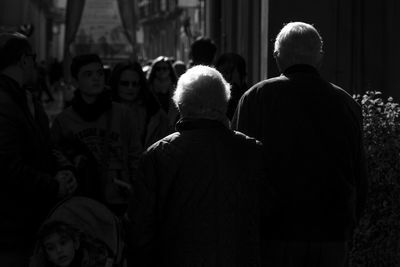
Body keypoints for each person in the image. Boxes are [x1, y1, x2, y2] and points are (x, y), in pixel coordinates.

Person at [232, 22, 368, 267]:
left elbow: (239, 166)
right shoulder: (345, 103)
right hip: (332, 233)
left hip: (275, 233)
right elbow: (360, 175)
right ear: (320, 58)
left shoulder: (256, 98)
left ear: (277, 56)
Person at [124, 65, 267, 267]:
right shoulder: (252, 151)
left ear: (181, 105)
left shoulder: (158, 155)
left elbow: (140, 229)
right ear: (224, 104)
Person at [0, 32, 77, 266]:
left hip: (29, 219)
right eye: (33, 57)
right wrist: (54, 185)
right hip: (11, 225)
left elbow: (45, 145)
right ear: (24, 59)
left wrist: (64, 168)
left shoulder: (25, 98)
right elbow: (6, 167)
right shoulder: (5, 103)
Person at [51, 54, 142, 217]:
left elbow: (135, 155)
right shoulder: (64, 121)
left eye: (100, 73)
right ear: (75, 81)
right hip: (80, 199)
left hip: (118, 198)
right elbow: (56, 158)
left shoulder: (123, 114)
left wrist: (137, 192)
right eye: (88, 74)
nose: (96, 79)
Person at [109, 61, 170, 150]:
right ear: (116, 84)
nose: (130, 88)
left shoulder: (154, 113)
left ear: (140, 86)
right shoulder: (104, 111)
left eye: (135, 84)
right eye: (125, 83)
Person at [31, 221, 109, 267]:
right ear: (48, 256)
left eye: (63, 243)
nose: (59, 250)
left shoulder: (96, 260)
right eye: (51, 248)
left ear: (75, 243)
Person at [147, 56, 179, 131]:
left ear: (170, 70)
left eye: (165, 68)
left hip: (172, 128)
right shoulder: (148, 88)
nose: (162, 71)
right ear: (154, 70)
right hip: (153, 129)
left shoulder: (177, 88)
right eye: (158, 69)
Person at [215, 52, 248, 120]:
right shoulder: (214, 97)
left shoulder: (248, 98)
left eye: (228, 72)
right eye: (220, 73)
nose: (224, 77)